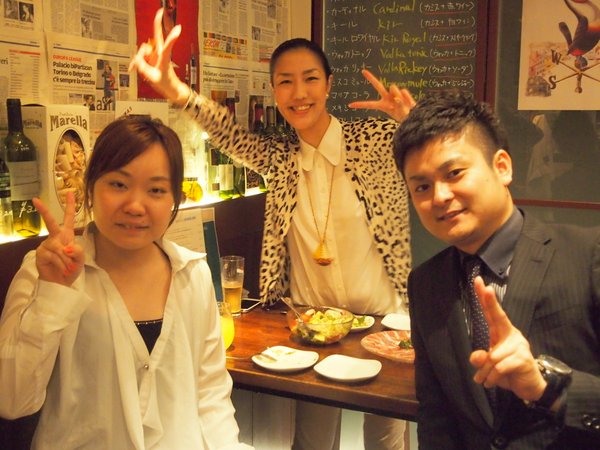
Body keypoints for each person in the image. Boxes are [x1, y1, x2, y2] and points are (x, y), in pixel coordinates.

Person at [129, 8, 415, 450]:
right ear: (275, 91)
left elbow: (439, 159)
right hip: (314, 326)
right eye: (285, 81)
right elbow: (228, 134)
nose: (298, 93)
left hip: (383, 324)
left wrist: (413, 123)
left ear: (329, 84)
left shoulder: (376, 140)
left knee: (387, 442)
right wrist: (176, 90)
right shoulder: (280, 158)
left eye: (310, 79)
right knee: (312, 442)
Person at [0, 116, 251, 450]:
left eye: (156, 190)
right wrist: (52, 295)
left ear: (173, 198)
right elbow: (12, 400)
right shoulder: (43, 271)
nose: (135, 206)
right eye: (118, 184)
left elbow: (211, 394)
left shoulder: (193, 275)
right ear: (91, 186)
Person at [393, 91, 600, 449]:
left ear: (502, 167)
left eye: (454, 173)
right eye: (422, 186)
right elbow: (436, 413)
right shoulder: (426, 282)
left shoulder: (587, 254)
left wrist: (547, 386)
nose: (439, 196)